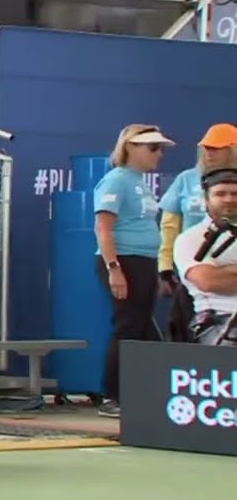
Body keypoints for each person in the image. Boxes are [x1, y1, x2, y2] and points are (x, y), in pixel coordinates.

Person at [93, 124, 174, 418]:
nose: (160, 155)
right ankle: (111, 396)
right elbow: (102, 228)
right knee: (127, 327)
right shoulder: (116, 181)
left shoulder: (138, 181)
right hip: (124, 260)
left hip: (142, 260)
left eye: (160, 148)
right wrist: (114, 268)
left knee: (141, 328)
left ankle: (139, 394)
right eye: (153, 148)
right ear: (131, 148)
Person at [172, 167, 237, 346]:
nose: (229, 199)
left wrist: (227, 270)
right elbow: (208, 281)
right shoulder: (191, 238)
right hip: (221, 321)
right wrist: (221, 275)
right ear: (206, 200)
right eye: (220, 194)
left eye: (235, 193)